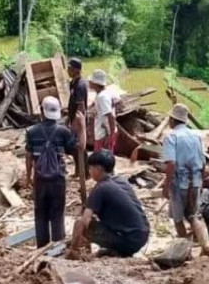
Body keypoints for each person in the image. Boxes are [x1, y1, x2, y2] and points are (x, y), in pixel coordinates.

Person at [69, 151, 150, 257]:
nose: (90, 171)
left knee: (81, 224)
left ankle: (73, 252)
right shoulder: (121, 181)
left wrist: (73, 245)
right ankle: (116, 250)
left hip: (129, 240)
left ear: (98, 169)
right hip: (142, 235)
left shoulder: (100, 188)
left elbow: (83, 221)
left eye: (91, 168)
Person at [25, 96, 77, 248]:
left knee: (40, 213)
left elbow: (29, 156)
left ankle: (42, 246)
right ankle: (58, 245)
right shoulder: (63, 132)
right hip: (58, 179)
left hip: (40, 179)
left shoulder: (32, 132)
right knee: (57, 212)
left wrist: (28, 178)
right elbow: (74, 149)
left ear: (42, 111)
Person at [162, 103, 209, 255]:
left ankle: (185, 251)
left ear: (172, 119)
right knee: (194, 215)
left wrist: (166, 185)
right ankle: (206, 245)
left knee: (178, 219)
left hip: (179, 183)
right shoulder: (196, 136)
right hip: (195, 182)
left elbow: (171, 164)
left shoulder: (171, 137)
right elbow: (203, 163)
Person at [67, 57, 88, 179]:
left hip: (79, 120)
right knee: (75, 147)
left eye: (70, 68)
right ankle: (79, 170)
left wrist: (75, 123)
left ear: (76, 70)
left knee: (80, 146)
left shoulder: (80, 85)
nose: (68, 71)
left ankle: (84, 172)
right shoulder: (73, 83)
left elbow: (81, 106)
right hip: (73, 118)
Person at [89, 69, 116, 153]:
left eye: (91, 81)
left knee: (101, 161)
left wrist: (110, 135)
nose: (89, 82)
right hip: (102, 133)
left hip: (103, 135)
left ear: (96, 83)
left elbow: (110, 116)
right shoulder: (102, 94)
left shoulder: (102, 97)